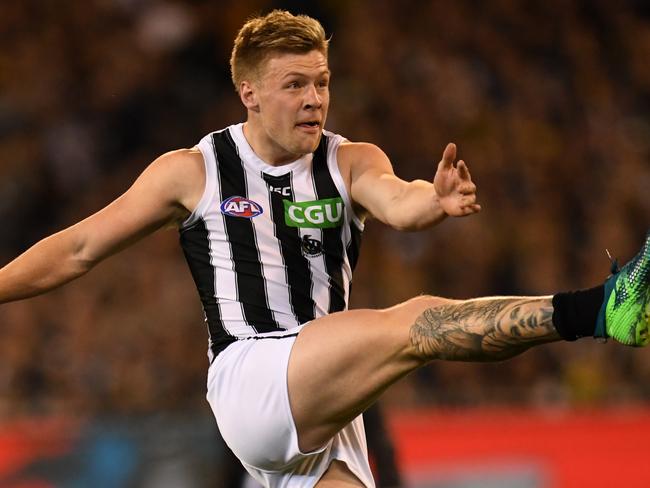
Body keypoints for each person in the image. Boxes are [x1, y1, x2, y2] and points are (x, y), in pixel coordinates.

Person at [1, 9, 648, 488]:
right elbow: (81, 246)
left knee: (403, 331)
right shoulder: (193, 172)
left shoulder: (350, 161)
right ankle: (600, 310)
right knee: (413, 325)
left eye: (322, 81)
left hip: (329, 399)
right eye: (294, 85)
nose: (314, 99)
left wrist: (433, 201)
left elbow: (400, 201)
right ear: (250, 93)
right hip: (252, 380)